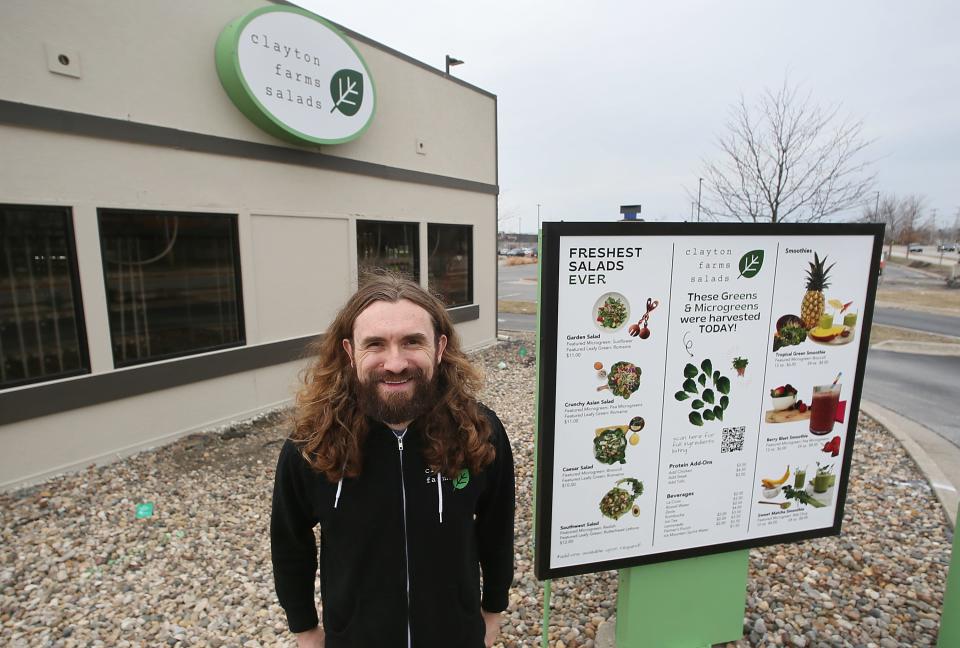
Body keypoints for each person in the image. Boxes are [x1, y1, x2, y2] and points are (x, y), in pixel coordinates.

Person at [271, 271, 515, 648]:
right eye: (376, 345)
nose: (396, 362)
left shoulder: (479, 431)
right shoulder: (312, 443)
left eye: (412, 341)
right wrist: (304, 627)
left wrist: (493, 609)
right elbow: (290, 542)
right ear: (351, 353)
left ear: (439, 347)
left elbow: (497, 527)